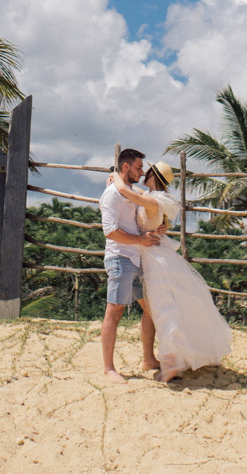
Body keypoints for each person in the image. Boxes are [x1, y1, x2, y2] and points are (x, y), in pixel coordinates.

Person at [107, 159, 233, 383]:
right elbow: (138, 195)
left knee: (163, 308)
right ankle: (151, 358)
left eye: (148, 171)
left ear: (154, 177)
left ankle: (170, 362)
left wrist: (115, 175)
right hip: (152, 254)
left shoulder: (151, 200)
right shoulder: (159, 198)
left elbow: (127, 192)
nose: (143, 173)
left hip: (151, 256)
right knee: (156, 309)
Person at [99, 147, 163, 383]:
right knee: (114, 311)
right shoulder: (112, 195)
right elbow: (111, 232)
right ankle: (108, 368)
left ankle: (148, 359)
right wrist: (140, 240)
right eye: (138, 167)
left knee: (151, 309)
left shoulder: (128, 191)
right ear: (125, 167)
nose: (142, 171)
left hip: (136, 258)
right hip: (120, 258)